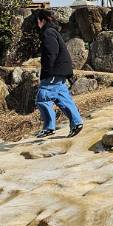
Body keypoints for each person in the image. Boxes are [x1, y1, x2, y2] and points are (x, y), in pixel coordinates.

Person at [34, 8, 83, 138]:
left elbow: (51, 53)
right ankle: (77, 123)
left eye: (37, 21)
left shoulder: (48, 33)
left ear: (41, 20)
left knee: (42, 97)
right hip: (61, 70)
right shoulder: (53, 31)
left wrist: (47, 70)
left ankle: (49, 127)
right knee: (62, 97)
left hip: (54, 70)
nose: (37, 24)